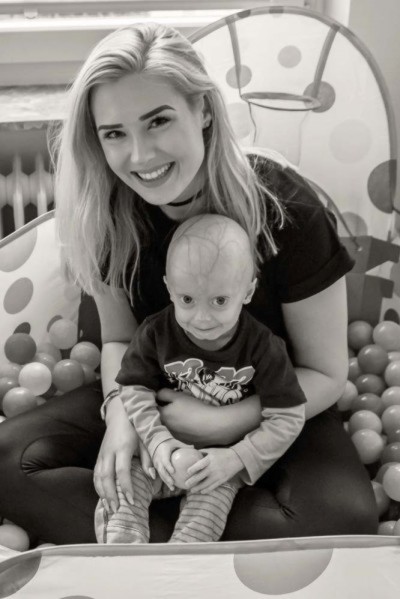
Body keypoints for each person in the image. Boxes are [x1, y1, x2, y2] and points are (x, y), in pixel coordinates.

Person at [0, 22, 378, 545]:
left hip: (276, 403)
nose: (140, 156)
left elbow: (326, 372)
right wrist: (123, 420)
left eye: (158, 121)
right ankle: (184, 533)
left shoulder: (287, 209)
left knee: (344, 518)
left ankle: (156, 533)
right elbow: (119, 340)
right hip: (153, 395)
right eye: (115, 134)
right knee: (9, 460)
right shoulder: (105, 213)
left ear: (203, 110)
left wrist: (228, 424)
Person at [95, 214, 306, 543]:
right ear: (169, 289)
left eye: (220, 301)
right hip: (161, 451)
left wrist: (236, 459)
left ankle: (184, 559)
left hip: (220, 464)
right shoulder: (155, 333)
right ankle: (124, 549)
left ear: (248, 291)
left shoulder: (264, 348)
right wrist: (156, 440)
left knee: (208, 510)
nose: (202, 318)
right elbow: (134, 388)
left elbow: (289, 416)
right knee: (125, 482)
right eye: (187, 300)